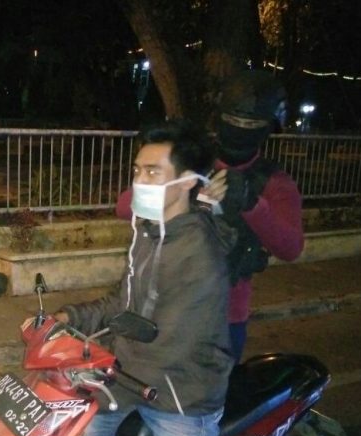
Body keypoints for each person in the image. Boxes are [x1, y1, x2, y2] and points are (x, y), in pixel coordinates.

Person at [57, 120, 235, 436]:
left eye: (153, 172)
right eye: (137, 170)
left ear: (187, 181)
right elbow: (123, 301)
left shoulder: (199, 250)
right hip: (129, 380)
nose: (139, 181)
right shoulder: (149, 232)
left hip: (180, 396)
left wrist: (93, 361)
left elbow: (171, 341)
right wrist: (67, 319)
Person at [116, 70, 304, 362]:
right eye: (233, 120)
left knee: (209, 389)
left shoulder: (275, 182)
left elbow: (291, 248)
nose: (241, 129)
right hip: (162, 303)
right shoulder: (191, 163)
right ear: (219, 117)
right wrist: (187, 189)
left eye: (252, 124)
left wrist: (251, 204)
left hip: (224, 316)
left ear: (269, 126)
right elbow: (125, 207)